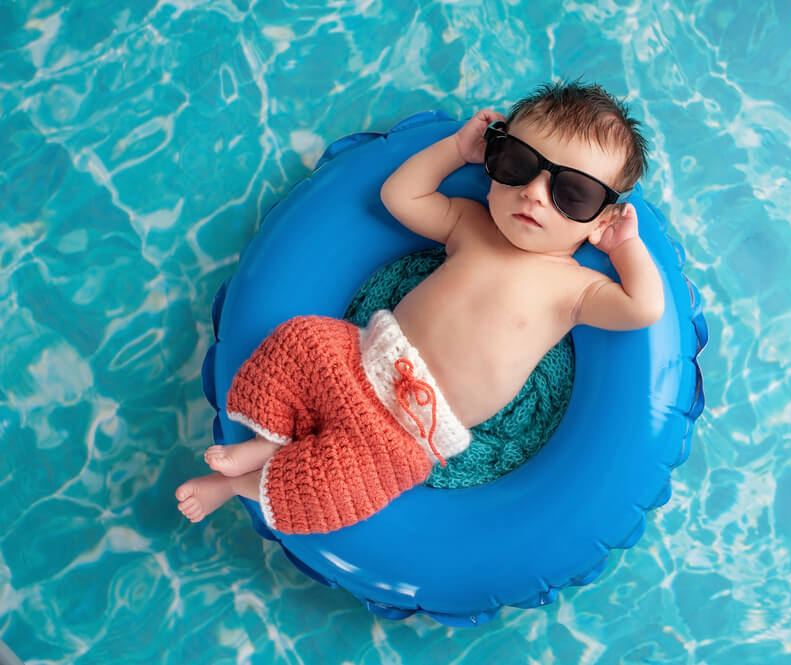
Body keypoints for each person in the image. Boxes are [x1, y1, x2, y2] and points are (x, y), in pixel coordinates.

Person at [176, 81, 665, 534]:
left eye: (572, 194)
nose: (534, 194)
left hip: (408, 432)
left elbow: (642, 308)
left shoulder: (576, 289)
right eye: (517, 164)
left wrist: (625, 249)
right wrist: (456, 151)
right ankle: (264, 441)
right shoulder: (473, 226)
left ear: (602, 217)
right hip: (362, 359)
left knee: (340, 490)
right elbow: (400, 196)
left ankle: (234, 486)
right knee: (299, 341)